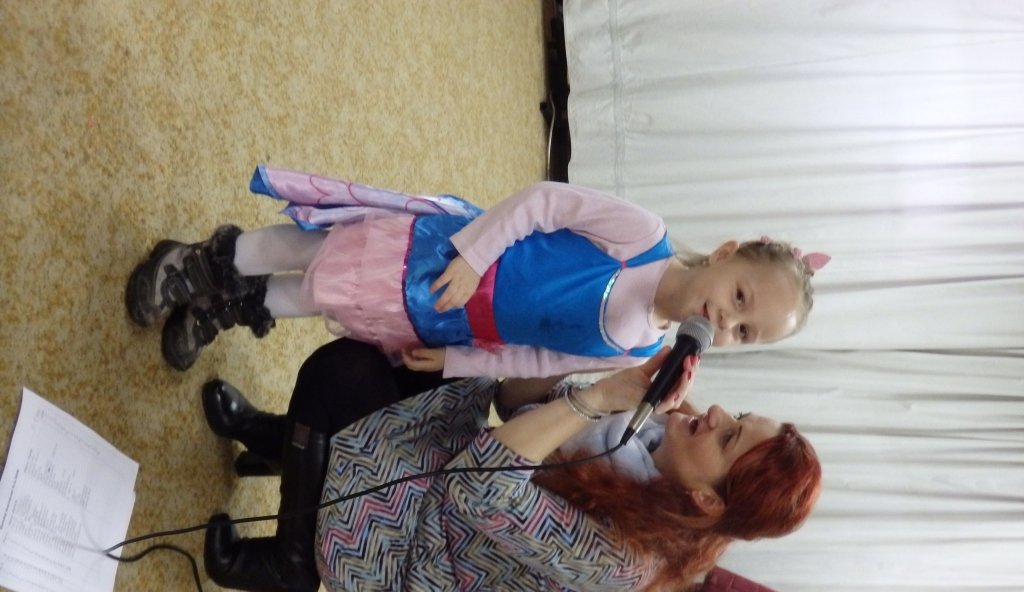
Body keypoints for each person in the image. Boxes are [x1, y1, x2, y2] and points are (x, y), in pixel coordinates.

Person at [201, 337, 821, 592]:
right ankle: (281, 442)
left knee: (342, 376)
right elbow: (511, 398)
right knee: (434, 357)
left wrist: (594, 400)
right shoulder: (653, 437)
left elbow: (475, 489)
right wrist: (597, 360)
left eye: (727, 438)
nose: (716, 414)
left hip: (407, 562)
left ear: (708, 500)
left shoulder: (628, 558)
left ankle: (289, 565)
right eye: (739, 417)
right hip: (447, 480)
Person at [125, 166, 829, 372]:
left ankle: (229, 306)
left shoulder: (641, 349)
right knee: (326, 252)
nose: (726, 319)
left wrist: (459, 362)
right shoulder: (643, 237)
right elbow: (544, 201)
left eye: (743, 331)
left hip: (450, 320)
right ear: (727, 252)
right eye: (741, 296)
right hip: (449, 256)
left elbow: (540, 358)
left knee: (330, 297)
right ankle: (206, 263)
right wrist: (472, 254)